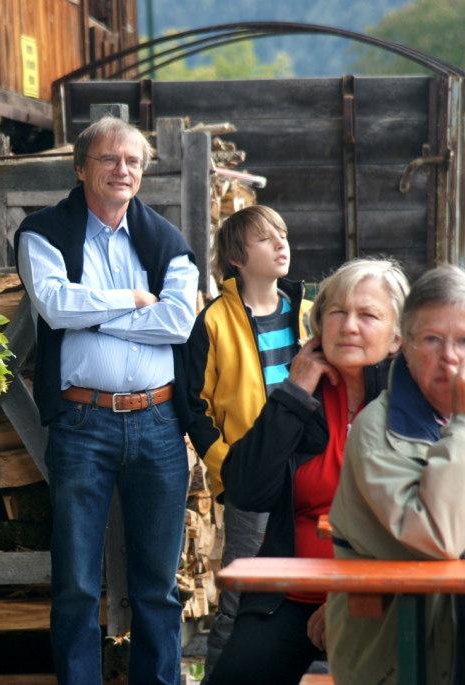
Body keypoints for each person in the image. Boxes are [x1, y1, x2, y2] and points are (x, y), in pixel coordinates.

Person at [14, 116, 199, 685]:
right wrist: (135, 300)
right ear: (80, 167)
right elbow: (55, 306)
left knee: (157, 586)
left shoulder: (166, 240)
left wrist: (96, 316)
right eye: (109, 159)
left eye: (134, 161)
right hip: (81, 422)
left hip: (159, 424)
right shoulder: (42, 233)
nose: (123, 169)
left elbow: (179, 322)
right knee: (75, 583)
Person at [206, 258, 409, 685]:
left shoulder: (416, 406)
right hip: (288, 596)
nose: (348, 326)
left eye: (368, 315)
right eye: (337, 312)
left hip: (389, 595)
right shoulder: (299, 398)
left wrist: (347, 600)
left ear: (397, 337)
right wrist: (294, 392)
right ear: (318, 325)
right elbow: (246, 490)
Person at [326, 264, 465, 685]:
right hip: (406, 655)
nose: (450, 357)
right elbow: (439, 538)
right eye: (432, 340)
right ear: (406, 348)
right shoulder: (378, 431)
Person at [184, 205, 313, 675]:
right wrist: (232, 469)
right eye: (265, 238)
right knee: (241, 600)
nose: (281, 244)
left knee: (319, 591)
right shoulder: (213, 322)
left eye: (282, 234)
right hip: (253, 481)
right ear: (237, 258)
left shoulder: (310, 316)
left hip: (311, 476)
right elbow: (195, 408)